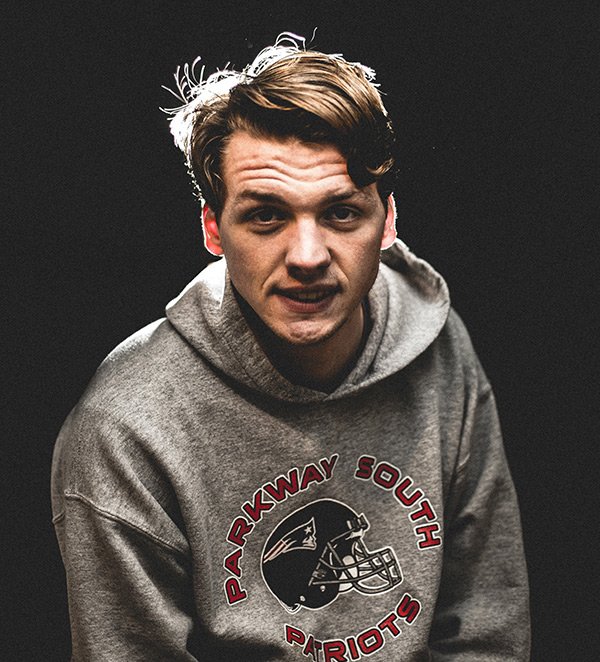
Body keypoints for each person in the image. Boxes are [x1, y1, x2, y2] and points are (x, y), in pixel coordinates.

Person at [51, 34, 530, 661]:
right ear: (213, 228)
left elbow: (487, 632)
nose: (307, 257)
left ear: (387, 220)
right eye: (266, 216)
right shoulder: (126, 429)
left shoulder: (438, 345)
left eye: (341, 213)